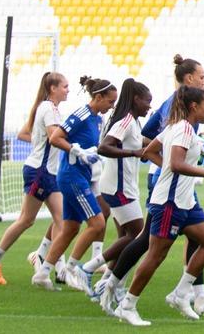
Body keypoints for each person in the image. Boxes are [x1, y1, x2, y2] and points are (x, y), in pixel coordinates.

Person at [106, 55, 204, 310]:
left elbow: (149, 151)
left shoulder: (180, 125)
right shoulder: (181, 127)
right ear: (193, 105)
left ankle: (182, 294)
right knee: (153, 251)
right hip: (170, 200)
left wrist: (172, 166)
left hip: (184, 198)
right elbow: (175, 162)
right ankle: (123, 299)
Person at [31, 76, 117, 292]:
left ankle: (42, 273)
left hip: (81, 175)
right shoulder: (81, 115)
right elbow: (56, 138)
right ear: (98, 97)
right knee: (97, 223)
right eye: (109, 102)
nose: (111, 106)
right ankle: (69, 269)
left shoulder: (97, 119)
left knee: (70, 227)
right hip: (72, 176)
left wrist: (92, 155)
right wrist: (76, 150)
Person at [0, 73, 69, 285]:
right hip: (40, 171)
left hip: (47, 171)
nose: (68, 90)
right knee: (26, 220)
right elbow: (53, 138)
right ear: (53, 88)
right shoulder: (48, 109)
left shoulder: (48, 108)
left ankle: (59, 269)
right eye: (65, 86)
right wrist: (76, 148)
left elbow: (33, 135)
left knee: (62, 220)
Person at [82, 79, 151, 312]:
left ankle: (110, 285)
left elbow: (140, 142)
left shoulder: (131, 121)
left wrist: (159, 146)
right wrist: (134, 152)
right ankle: (89, 269)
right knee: (139, 236)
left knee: (127, 239)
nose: (149, 107)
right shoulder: (125, 120)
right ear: (135, 99)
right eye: (147, 102)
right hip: (119, 188)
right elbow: (104, 147)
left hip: (120, 185)